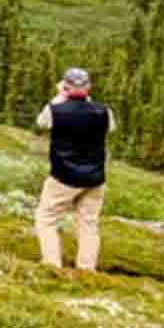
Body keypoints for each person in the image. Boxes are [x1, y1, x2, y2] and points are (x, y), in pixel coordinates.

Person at [36, 67, 109, 272]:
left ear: (65, 86)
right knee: (89, 224)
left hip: (63, 176)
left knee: (46, 219)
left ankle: (52, 265)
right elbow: (109, 127)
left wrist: (61, 96)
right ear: (89, 87)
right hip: (95, 178)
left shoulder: (55, 110)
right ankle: (86, 269)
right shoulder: (104, 111)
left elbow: (41, 123)